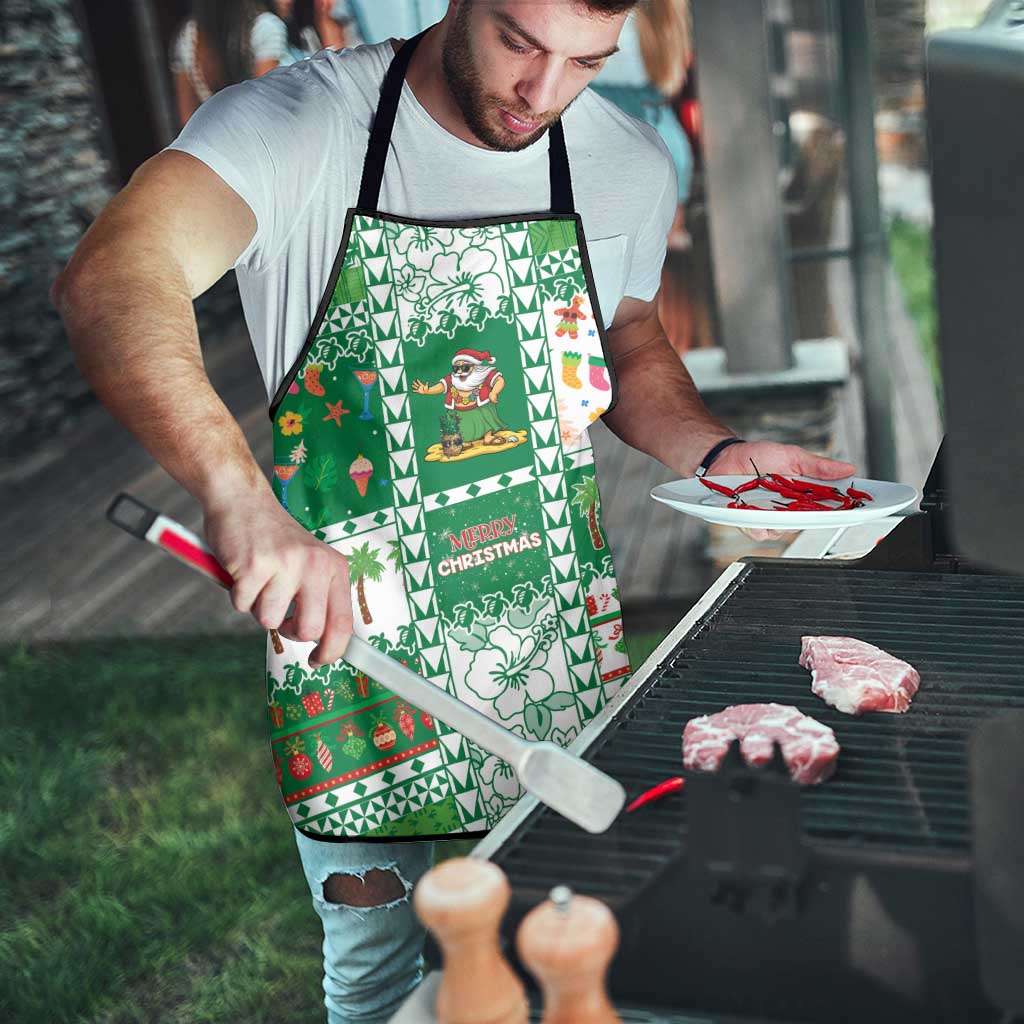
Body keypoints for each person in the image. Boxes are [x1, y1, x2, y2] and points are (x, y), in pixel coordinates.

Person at [53, 2, 856, 1020]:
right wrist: (238, 496)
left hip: (548, 636)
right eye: (520, 42)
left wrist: (716, 451)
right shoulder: (299, 126)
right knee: (378, 977)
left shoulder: (624, 161)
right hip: (353, 646)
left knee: (573, 952)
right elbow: (114, 276)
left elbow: (627, 336)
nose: (543, 93)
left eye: (585, 62)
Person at [170, 0, 288, 126]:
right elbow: (266, 107)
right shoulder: (265, 27)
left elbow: (188, 120)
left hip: (215, 134)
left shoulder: (188, 37)